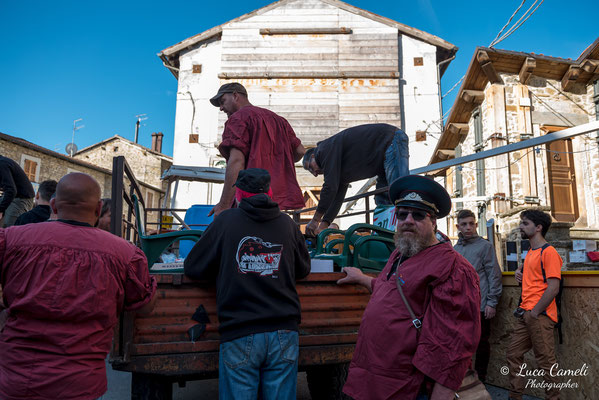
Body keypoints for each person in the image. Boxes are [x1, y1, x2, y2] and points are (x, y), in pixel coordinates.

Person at [0, 172, 157, 400]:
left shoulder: (11, 239)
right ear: (98, 209)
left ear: (53, 205)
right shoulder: (126, 254)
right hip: (81, 384)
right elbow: (144, 306)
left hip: (17, 380)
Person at [337, 175, 481, 400]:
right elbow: (392, 291)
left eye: (418, 215)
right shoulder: (401, 252)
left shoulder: (453, 268)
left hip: (408, 386)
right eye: (402, 214)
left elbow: (453, 346)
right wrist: (363, 278)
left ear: (433, 222)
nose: (408, 220)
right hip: (373, 379)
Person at [184, 168, 311, 400]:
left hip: (240, 330)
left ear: (239, 194)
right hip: (284, 331)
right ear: (270, 192)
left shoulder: (224, 222)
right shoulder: (288, 224)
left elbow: (193, 267)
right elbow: (304, 269)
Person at [209, 82, 306, 216]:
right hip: (276, 203)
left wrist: (224, 205)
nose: (221, 108)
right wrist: (279, 162)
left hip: (249, 202)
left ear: (235, 96)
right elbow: (300, 151)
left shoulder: (238, 119)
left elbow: (236, 161)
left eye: (222, 101)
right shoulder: (279, 120)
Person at [302, 124, 409, 236]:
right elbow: (337, 197)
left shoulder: (323, 150)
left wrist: (315, 220)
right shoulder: (336, 165)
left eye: (310, 167)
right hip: (381, 159)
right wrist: (323, 225)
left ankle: (409, 235)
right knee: (383, 201)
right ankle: (386, 241)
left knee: (399, 192)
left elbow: (330, 187)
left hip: (390, 140)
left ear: (313, 156)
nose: (314, 174)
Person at [507, 209, 562, 400]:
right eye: (521, 223)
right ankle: (515, 397)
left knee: (546, 362)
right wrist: (518, 275)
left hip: (539, 315)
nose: (521, 226)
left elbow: (553, 288)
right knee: (513, 354)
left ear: (538, 228)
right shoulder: (531, 252)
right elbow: (532, 280)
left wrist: (535, 312)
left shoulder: (549, 252)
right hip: (525, 314)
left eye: (525, 223)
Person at [453, 209, 502, 382]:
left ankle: (481, 378)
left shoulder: (485, 246)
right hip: (460, 305)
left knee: (481, 342)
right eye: (464, 224)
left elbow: (494, 275)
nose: (468, 227)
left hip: (481, 305)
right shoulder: (455, 249)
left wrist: (491, 302)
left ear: (476, 224)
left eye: (471, 224)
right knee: (459, 342)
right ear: (458, 226)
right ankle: (463, 378)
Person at [0, 155, 35, 227]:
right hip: (13, 196)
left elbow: (11, 190)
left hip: (22, 199)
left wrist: (0, 210)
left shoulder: (2, 164)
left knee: (9, 227)